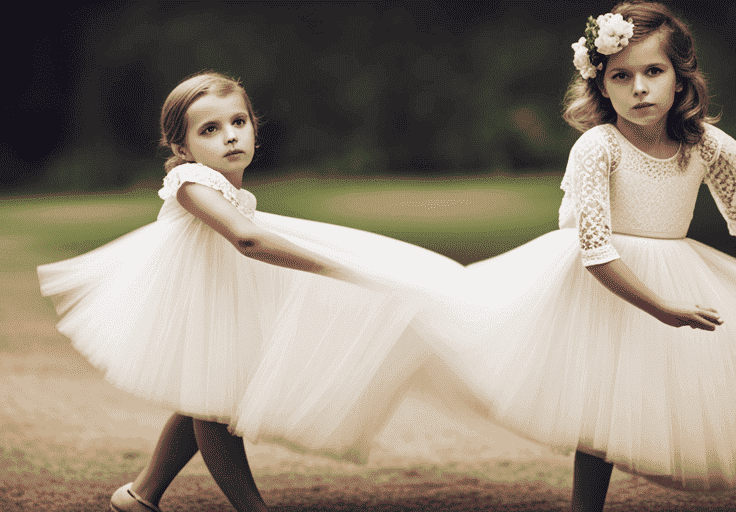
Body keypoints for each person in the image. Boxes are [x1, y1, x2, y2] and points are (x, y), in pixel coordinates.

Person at [38, 71, 478, 512]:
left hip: (218, 300)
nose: (230, 137)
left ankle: (141, 494)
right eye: (210, 130)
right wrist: (335, 266)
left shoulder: (232, 191)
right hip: (198, 303)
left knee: (204, 397)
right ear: (182, 148)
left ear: (253, 127)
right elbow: (247, 241)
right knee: (215, 408)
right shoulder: (191, 183)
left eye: (238, 122)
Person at [454, 2, 736, 510]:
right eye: (621, 75)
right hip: (604, 280)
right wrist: (662, 309)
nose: (639, 88)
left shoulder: (705, 144)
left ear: (679, 80)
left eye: (654, 71)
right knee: (601, 402)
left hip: (680, 268)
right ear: (601, 85)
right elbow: (595, 250)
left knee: (709, 378)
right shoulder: (597, 147)